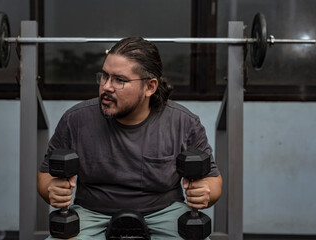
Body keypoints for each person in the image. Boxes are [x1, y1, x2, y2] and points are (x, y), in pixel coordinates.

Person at [37, 37, 222, 240]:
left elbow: (212, 179)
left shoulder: (183, 122)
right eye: (104, 77)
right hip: (92, 212)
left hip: (164, 211)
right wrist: (51, 189)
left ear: (150, 87)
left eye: (119, 80)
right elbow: (45, 175)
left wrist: (205, 192)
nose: (107, 87)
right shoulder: (76, 119)